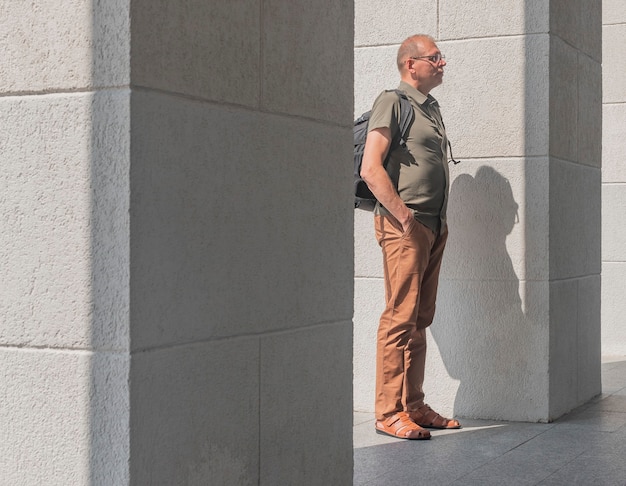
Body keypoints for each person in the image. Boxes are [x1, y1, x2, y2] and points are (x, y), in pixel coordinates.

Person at [360, 34, 461, 440]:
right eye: (434, 57)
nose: (442, 62)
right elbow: (371, 167)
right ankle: (388, 412)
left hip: (433, 225)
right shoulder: (393, 101)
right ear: (410, 64)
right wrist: (403, 217)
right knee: (399, 318)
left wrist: (432, 223)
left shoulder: (430, 108)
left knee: (420, 318)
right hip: (407, 225)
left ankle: (413, 404)